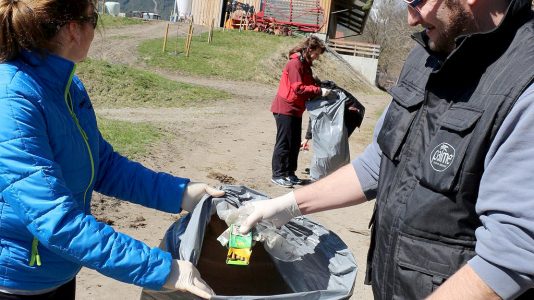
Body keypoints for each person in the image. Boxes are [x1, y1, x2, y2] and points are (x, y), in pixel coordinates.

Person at [240, 0, 534, 298]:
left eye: (419, 0)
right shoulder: (426, 57)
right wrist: (288, 205)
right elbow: (379, 162)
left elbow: (509, 258)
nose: (410, 19)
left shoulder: (525, 83)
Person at [0, 1, 222, 299]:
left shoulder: (67, 86)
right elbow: (55, 220)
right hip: (16, 281)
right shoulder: (13, 101)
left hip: (57, 269)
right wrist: (163, 269)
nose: (97, 28)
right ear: (72, 30)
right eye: (94, 18)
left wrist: (182, 193)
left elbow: (103, 164)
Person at [270, 36, 330, 188]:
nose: (317, 57)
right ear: (310, 50)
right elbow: (298, 87)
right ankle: (278, 174)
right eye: (317, 53)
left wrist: (319, 84)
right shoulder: (294, 63)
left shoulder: (305, 64)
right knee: (284, 142)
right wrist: (319, 90)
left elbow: (308, 82)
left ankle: (290, 173)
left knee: (295, 142)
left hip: (296, 109)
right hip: (285, 108)